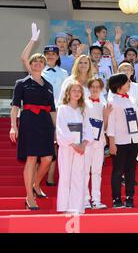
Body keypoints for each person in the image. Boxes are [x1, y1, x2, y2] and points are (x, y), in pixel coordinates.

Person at [10, 53, 56, 210]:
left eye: (41, 61)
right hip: (29, 121)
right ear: (30, 64)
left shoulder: (49, 85)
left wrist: (56, 130)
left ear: (44, 65)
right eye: (34, 61)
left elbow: (52, 110)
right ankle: (29, 196)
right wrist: (13, 126)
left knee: (48, 159)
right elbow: (15, 106)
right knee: (31, 158)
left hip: (45, 123)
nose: (38, 63)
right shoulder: (21, 83)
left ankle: (36, 184)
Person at [107, 73, 138, 209]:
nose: (130, 84)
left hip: (133, 139)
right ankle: (116, 199)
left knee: (131, 170)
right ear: (119, 85)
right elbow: (110, 123)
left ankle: (130, 197)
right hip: (119, 141)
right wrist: (111, 142)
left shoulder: (132, 99)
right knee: (118, 170)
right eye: (127, 82)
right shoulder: (113, 101)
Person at [56, 81, 93, 214]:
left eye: (79, 91)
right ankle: (63, 206)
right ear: (68, 93)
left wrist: (83, 144)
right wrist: (73, 143)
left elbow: (88, 128)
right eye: (74, 90)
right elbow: (61, 128)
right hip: (67, 147)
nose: (77, 93)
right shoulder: (63, 108)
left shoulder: (84, 109)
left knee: (79, 176)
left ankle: (77, 207)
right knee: (66, 175)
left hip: (81, 149)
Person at [84, 78, 112, 210]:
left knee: (96, 172)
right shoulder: (83, 103)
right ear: (89, 88)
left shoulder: (104, 105)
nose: (95, 89)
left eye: (97, 87)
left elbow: (105, 127)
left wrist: (106, 115)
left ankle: (96, 200)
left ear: (101, 89)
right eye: (92, 86)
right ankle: (85, 200)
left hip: (99, 142)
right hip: (86, 142)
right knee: (84, 171)